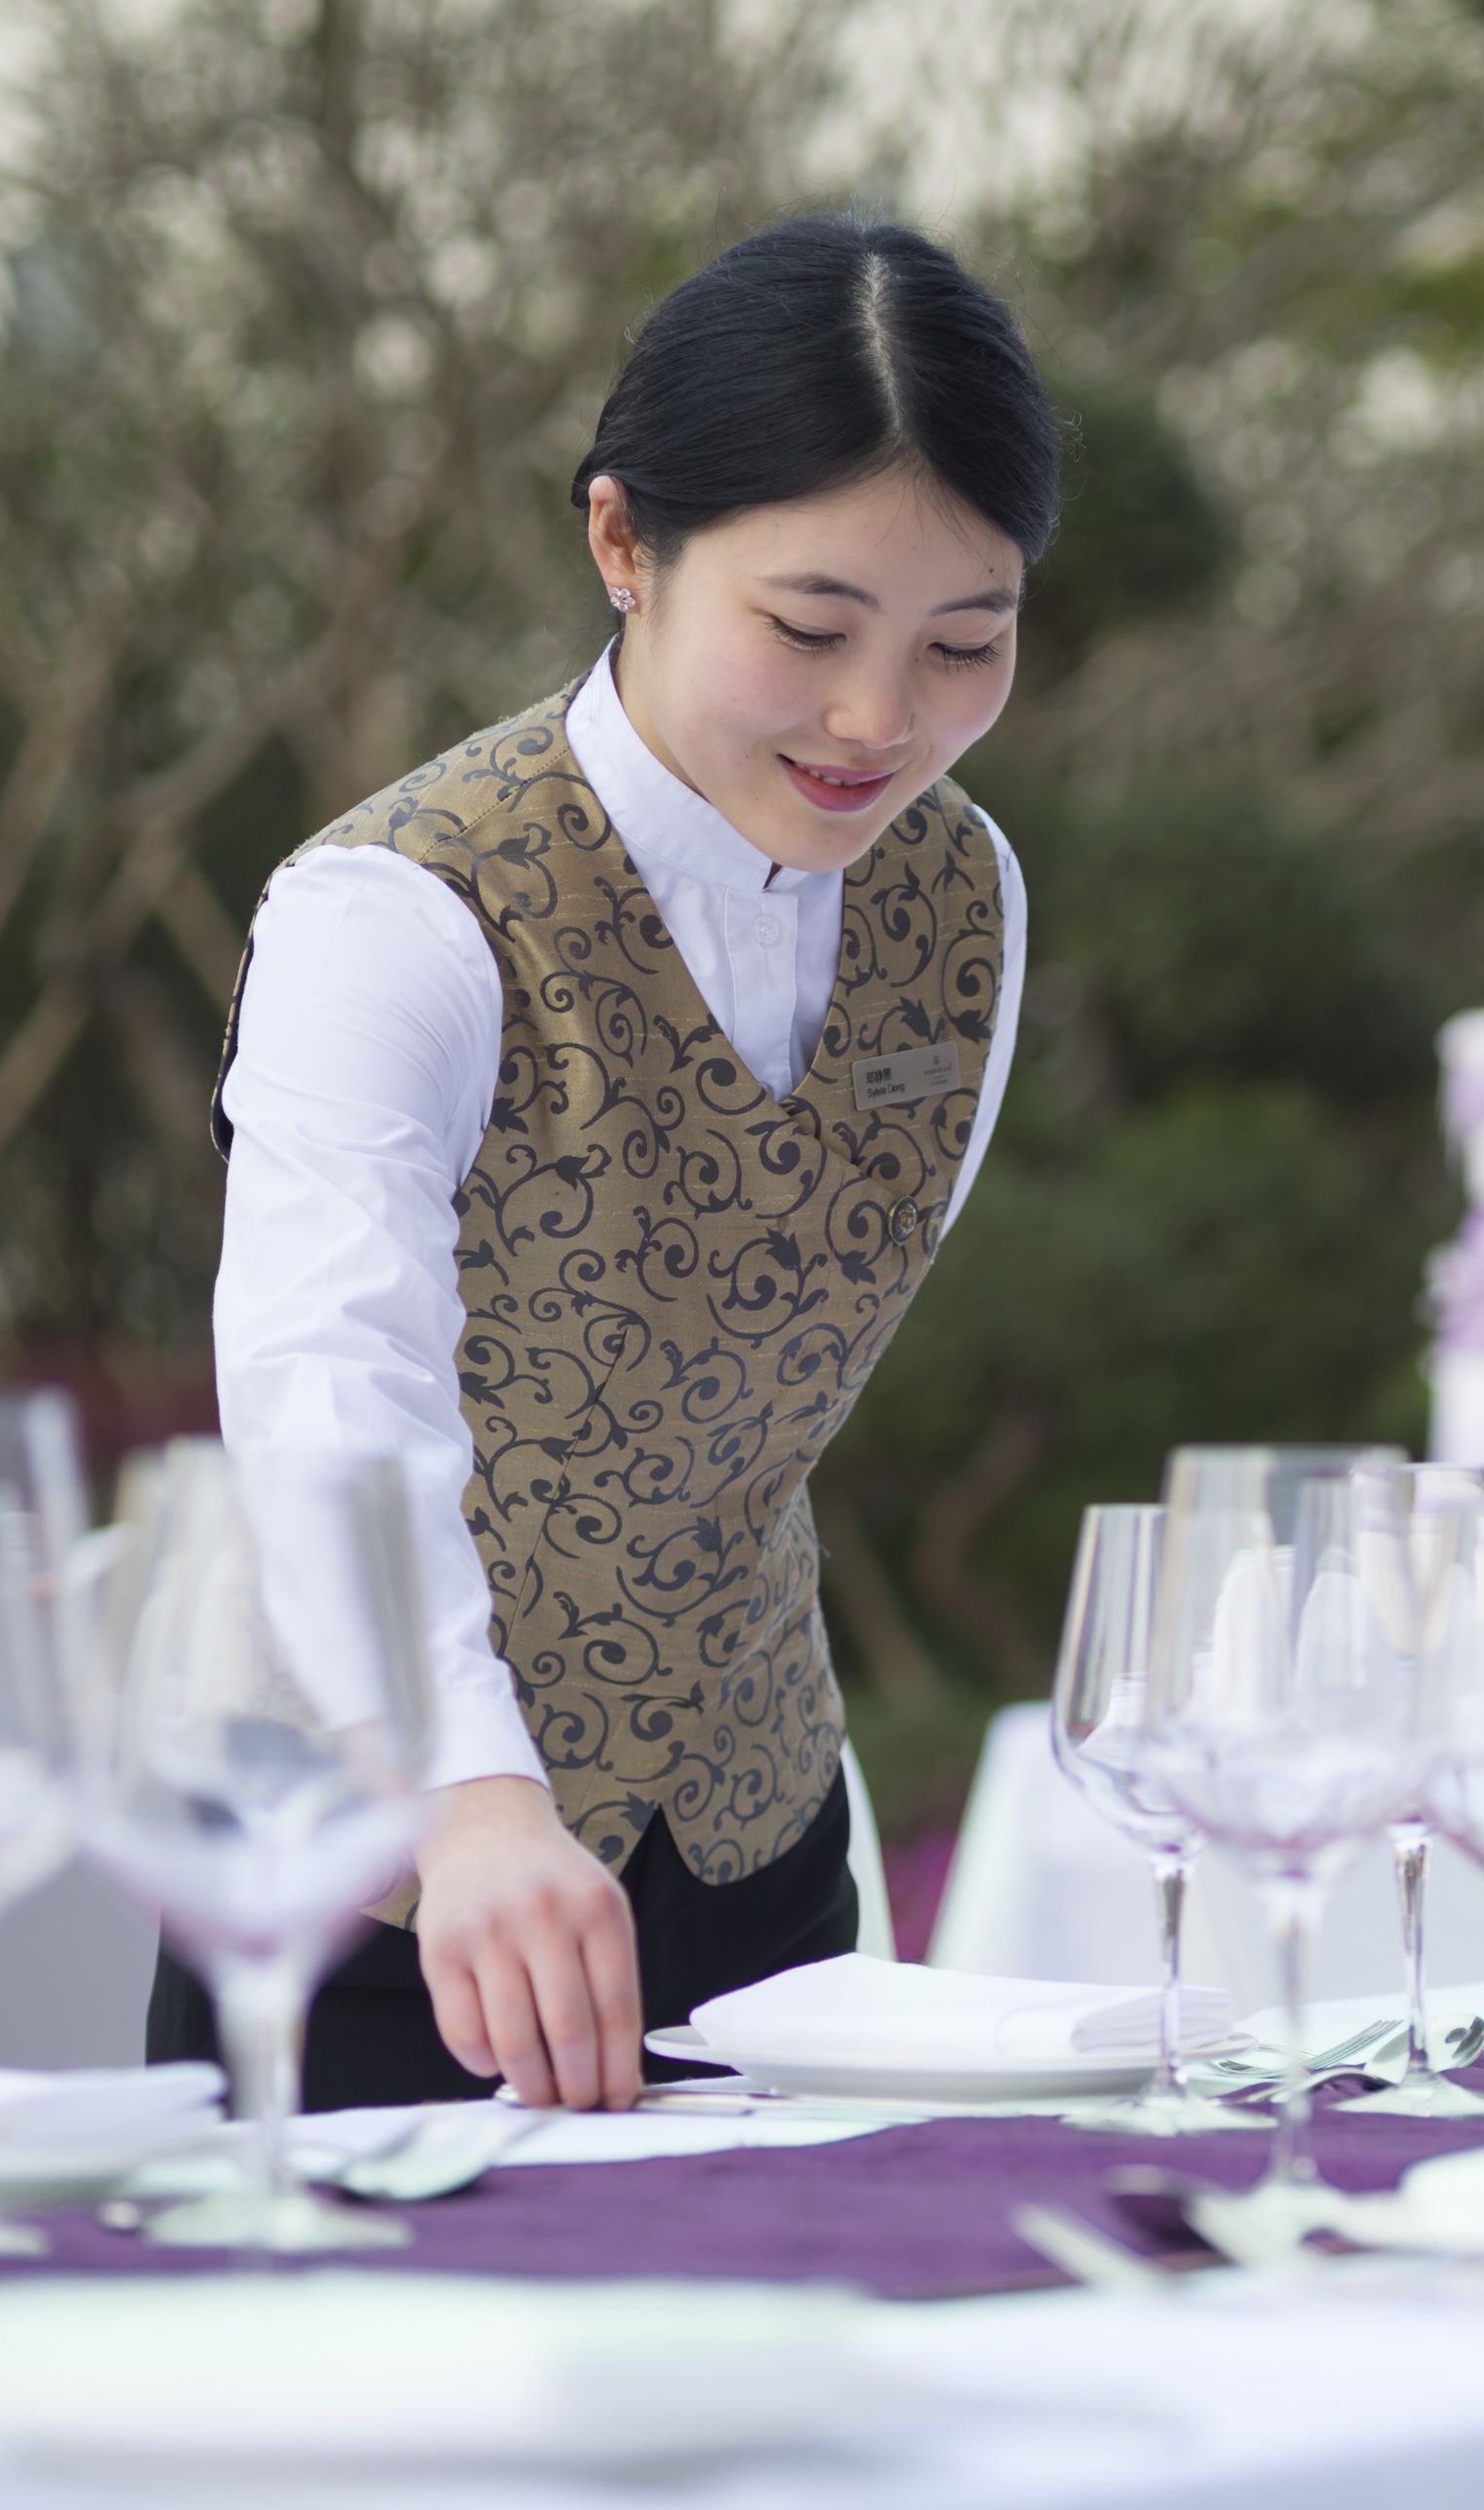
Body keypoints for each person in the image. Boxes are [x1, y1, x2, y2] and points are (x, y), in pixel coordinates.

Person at [153, 214, 1056, 2112]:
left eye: (963, 643)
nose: (878, 719)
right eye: (808, 629)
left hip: (756, 1873)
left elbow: (764, 1396)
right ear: (622, 542)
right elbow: (328, 1387)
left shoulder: (967, 896)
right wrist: (469, 1796)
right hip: (373, 1888)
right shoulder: (392, 913)